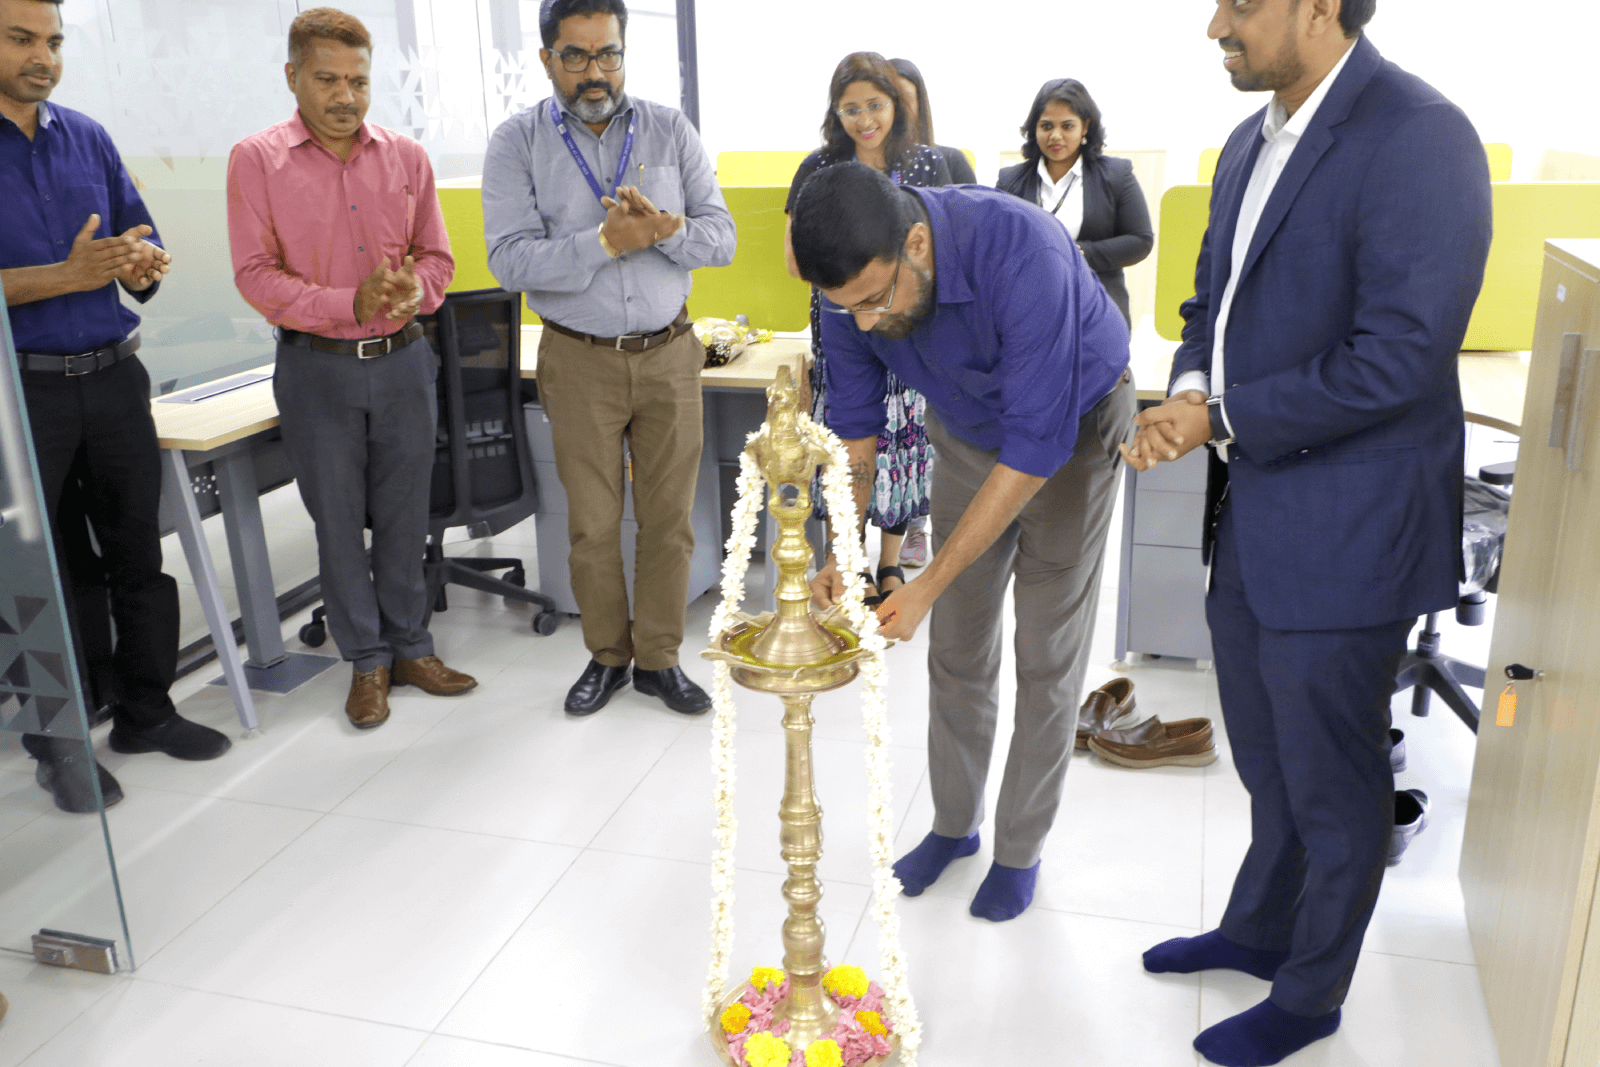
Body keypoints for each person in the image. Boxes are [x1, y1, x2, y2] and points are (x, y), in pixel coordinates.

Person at [1123, 1, 1491, 1063]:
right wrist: (1189, 387)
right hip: (1254, 511)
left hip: (1348, 522)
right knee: (1268, 754)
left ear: (1319, 8)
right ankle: (1257, 925)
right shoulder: (1250, 141)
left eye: (1240, 4)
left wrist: (1222, 416)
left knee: (1333, 779)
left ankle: (1312, 991)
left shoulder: (1418, 133)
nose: (1214, 26)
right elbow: (1207, 304)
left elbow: (1402, 352)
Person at [792, 163, 1135, 923]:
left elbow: (1034, 450)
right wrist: (844, 554)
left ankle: (1019, 848)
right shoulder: (852, 299)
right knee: (957, 644)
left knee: (1046, 651)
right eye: (851, 310)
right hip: (967, 426)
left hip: (1072, 428)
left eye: (879, 300)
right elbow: (857, 435)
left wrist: (920, 579)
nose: (869, 323)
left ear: (917, 241)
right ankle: (955, 824)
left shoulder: (1023, 251)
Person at [0, 0, 231, 814]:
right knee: (44, 577)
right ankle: (60, 745)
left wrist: (140, 264)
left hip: (113, 376)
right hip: (20, 390)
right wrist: (62, 277)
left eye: (53, 41)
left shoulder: (87, 135)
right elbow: (68, 271)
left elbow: (138, 244)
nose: (43, 57)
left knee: (138, 553)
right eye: (21, 39)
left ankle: (145, 710)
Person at [482, 0, 734, 717]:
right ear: (546, 59)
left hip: (669, 354)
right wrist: (604, 243)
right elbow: (509, 260)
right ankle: (607, 655)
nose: (596, 72)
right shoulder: (517, 143)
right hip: (579, 358)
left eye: (609, 54)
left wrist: (665, 230)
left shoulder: (668, 128)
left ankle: (659, 658)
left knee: (670, 520)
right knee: (592, 522)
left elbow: (721, 238)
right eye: (577, 55)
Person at [228, 7, 477, 732]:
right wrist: (349, 300)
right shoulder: (257, 159)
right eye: (328, 79)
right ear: (293, 77)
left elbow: (438, 258)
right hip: (318, 368)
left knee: (405, 516)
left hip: (403, 361)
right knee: (337, 522)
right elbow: (254, 274)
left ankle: (412, 648)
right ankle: (366, 661)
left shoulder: (406, 156)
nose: (346, 96)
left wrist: (414, 291)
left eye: (359, 81)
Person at [784, 52, 947, 602]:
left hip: (906, 325)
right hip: (841, 323)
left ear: (895, 106)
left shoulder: (926, 163)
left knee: (903, 442)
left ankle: (889, 564)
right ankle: (844, 558)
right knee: (846, 439)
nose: (864, 119)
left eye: (874, 105)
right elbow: (793, 260)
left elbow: (936, 252)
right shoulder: (817, 168)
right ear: (836, 113)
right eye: (850, 109)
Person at [996, 78, 1152, 329]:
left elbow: (1140, 240)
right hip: (1030, 313)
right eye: (1046, 126)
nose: (1055, 136)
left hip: (1098, 311)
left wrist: (1081, 254)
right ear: (1034, 129)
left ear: (1085, 127)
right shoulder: (1010, 181)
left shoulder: (1116, 175)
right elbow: (997, 247)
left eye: (1067, 126)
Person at [887, 58, 976, 184]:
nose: (897, 108)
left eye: (905, 99)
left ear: (920, 103)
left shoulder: (952, 161)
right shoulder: (864, 165)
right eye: (888, 100)